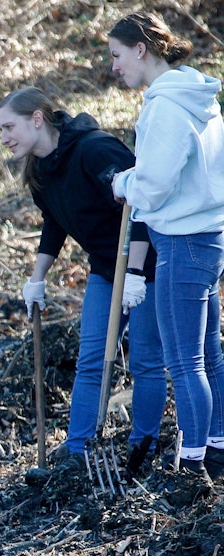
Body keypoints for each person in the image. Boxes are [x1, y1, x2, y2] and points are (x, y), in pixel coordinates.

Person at [0, 86, 166, 479]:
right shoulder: (40, 169)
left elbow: (141, 204)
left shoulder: (95, 150)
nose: (4, 137)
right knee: (91, 360)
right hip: (106, 270)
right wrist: (37, 278)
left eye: (9, 126)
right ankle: (77, 451)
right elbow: (54, 223)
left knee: (145, 361)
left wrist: (137, 273)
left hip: (148, 265)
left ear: (37, 119)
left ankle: (144, 447)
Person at [108, 11, 224, 487]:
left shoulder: (167, 108)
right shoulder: (199, 100)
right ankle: (216, 448)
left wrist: (121, 182)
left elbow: (152, 187)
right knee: (210, 355)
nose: (114, 66)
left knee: (186, 360)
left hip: (181, 241)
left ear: (141, 49)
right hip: (209, 236)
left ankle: (193, 465)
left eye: (117, 55)